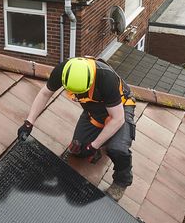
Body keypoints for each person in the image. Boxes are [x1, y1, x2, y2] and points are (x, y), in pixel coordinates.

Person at [17, 56, 136, 188]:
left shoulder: (105, 77)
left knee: (117, 149)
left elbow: (117, 119)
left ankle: (122, 180)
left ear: (90, 81)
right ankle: (103, 138)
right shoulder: (63, 70)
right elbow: (45, 93)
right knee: (78, 149)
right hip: (94, 112)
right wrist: (29, 122)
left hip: (121, 108)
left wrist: (94, 146)